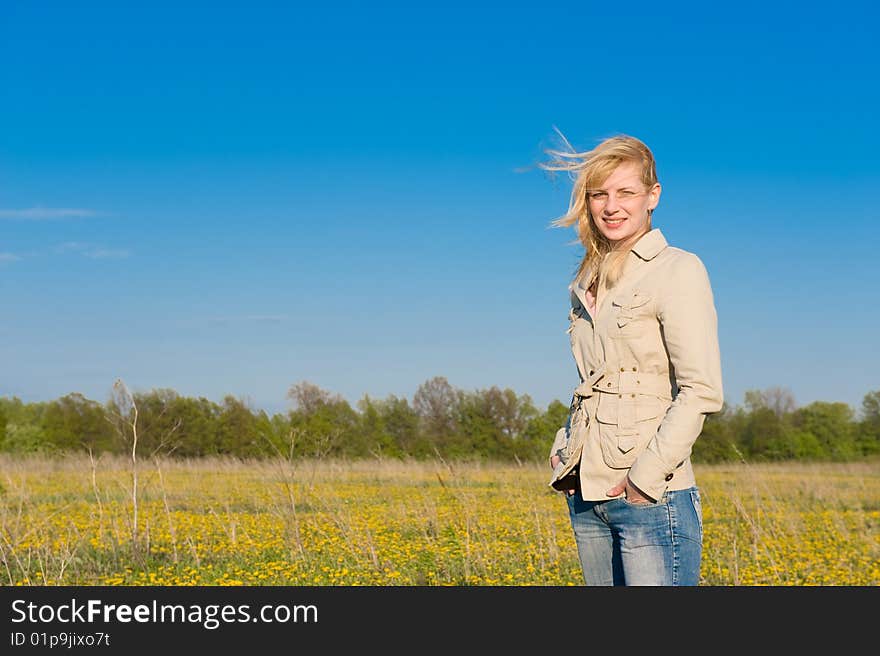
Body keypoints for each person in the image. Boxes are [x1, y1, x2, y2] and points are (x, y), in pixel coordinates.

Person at [542, 133, 723, 586]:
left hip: (650, 497)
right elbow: (594, 381)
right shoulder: (586, 280)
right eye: (599, 194)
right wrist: (566, 450)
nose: (611, 206)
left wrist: (645, 479)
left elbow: (701, 389)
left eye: (626, 192)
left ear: (652, 196)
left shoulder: (678, 269)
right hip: (587, 496)